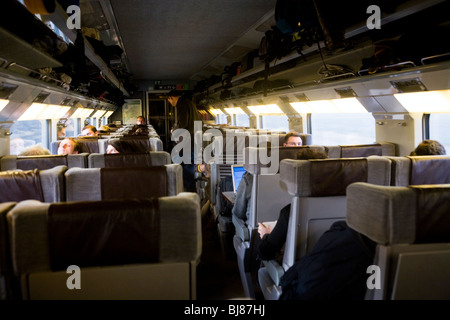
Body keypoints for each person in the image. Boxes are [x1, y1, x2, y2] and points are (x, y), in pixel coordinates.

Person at [257, 148, 329, 261]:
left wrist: (266, 235)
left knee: (263, 270)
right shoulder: (349, 206)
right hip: (340, 270)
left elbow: (266, 253)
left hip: (301, 272)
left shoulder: (291, 212)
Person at [167, 90, 204, 192]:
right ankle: (193, 190)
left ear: (172, 98)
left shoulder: (181, 104)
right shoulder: (190, 103)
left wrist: (174, 130)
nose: (171, 103)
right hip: (195, 140)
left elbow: (183, 123)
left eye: (170, 100)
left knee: (188, 167)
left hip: (187, 141)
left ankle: (190, 192)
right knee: (192, 165)